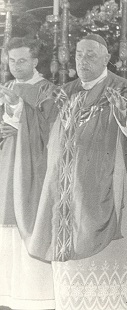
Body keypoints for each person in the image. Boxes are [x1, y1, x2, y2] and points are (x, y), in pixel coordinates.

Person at [1, 34, 127, 310]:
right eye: (79, 55)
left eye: (91, 55)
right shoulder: (64, 92)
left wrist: (123, 109)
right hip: (64, 199)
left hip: (102, 193)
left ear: (108, 58)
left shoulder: (123, 88)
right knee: (70, 287)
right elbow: (39, 128)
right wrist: (17, 109)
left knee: (107, 281)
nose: (83, 61)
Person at [0, 37, 56, 310]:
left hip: (34, 169)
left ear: (35, 61)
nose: (16, 66)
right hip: (6, 166)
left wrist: (21, 118)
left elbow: (53, 132)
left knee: (30, 225)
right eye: (12, 61)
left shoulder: (48, 90)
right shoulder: (7, 87)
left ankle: (36, 298)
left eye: (22, 60)